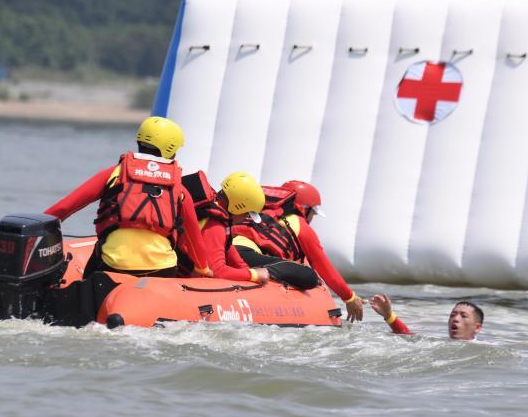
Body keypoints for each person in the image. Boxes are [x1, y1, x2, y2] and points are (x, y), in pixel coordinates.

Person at [44, 116, 212, 278]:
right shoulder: (179, 188)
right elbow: (194, 239)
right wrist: (203, 269)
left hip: (114, 265)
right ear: (171, 149)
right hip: (162, 269)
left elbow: (66, 207)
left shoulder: (114, 173)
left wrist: (39, 226)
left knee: (88, 282)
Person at [230, 179, 364, 322]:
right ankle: (263, 273)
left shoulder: (261, 214)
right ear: (305, 209)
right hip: (245, 254)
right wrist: (349, 297)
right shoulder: (299, 224)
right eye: (312, 213)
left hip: (229, 252)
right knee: (308, 275)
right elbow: (324, 268)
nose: (312, 218)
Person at [369, 294, 484, 340]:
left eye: (463, 316)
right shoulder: (439, 344)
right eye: (452, 315)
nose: (456, 319)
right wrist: (388, 315)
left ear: (477, 327)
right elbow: (408, 337)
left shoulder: (483, 351)